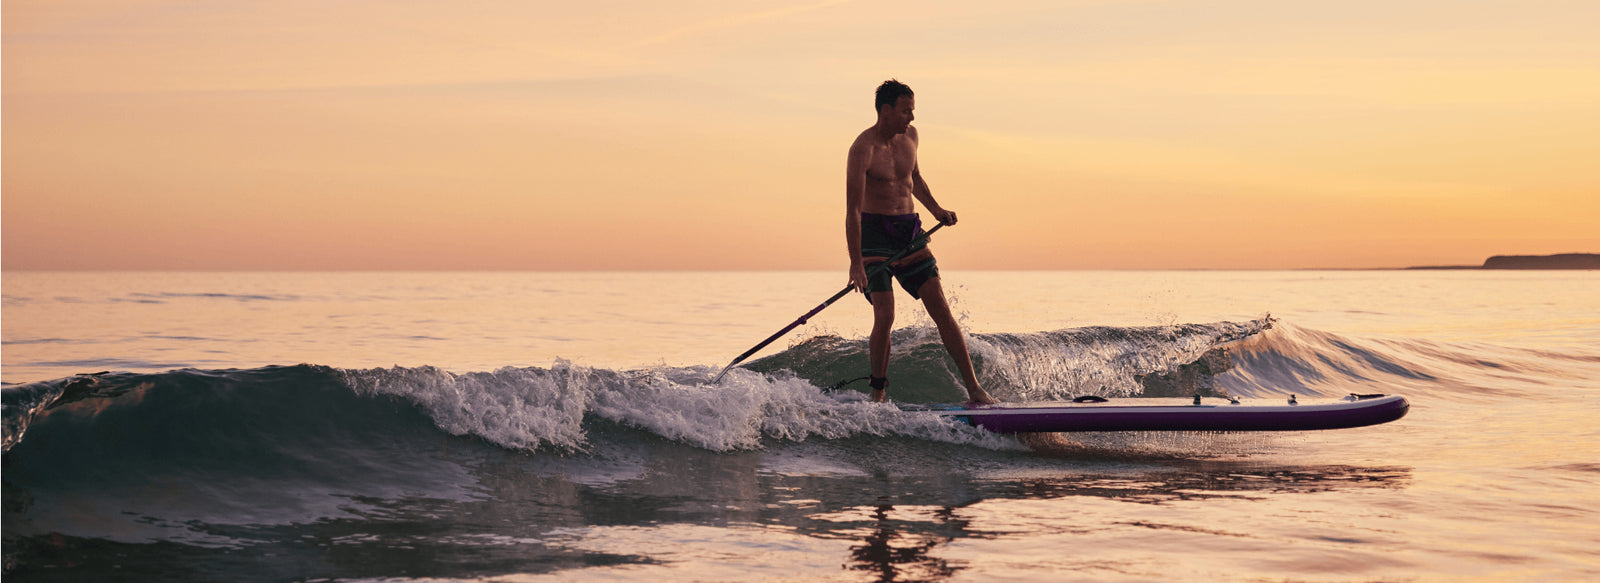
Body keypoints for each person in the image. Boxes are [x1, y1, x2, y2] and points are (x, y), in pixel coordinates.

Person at [845, 79, 997, 405]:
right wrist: (856, 263)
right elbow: (853, 211)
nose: (911, 118)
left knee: (941, 308)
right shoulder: (862, 149)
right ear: (886, 110)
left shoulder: (911, 138)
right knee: (885, 314)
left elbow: (913, 180)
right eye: (905, 111)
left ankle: (974, 390)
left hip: (908, 232)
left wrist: (937, 209)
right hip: (874, 235)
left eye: (912, 110)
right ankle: (878, 395)